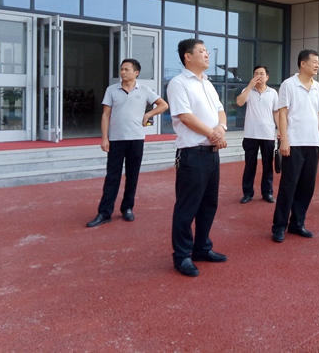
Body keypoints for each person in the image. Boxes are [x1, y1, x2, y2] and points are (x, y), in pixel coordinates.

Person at [167, 39, 229, 277]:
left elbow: (220, 110)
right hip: (192, 154)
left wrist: (221, 129)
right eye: (202, 51)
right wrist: (213, 134)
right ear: (187, 56)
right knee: (187, 207)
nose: (207, 55)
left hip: (212, 153)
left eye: (207, 51)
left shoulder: (208, 83)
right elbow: (185, 116)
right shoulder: (178, 83)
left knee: (208, 205)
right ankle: (182, 255)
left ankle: (202, 247)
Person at [86, 59, 168, 228]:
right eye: (121, 69)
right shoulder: (112, 90)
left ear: (136, 73)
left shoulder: (144, 90)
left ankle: (127, 208)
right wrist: (104, 138)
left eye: (126, 69)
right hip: (116, 140)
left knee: (132, 176)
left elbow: (163, 105)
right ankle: (104, 213)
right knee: (112, 178)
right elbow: (105, 115)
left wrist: (148, 114)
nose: (122, 72)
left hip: (136, 140)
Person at [272, 49, 319, 242]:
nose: (317, 65)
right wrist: (284, 140)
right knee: (288, 186)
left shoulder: (318, 87)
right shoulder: (288, 84)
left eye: (318, 62)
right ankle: (279, 226)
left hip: (312, 143)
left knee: (307, 186)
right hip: (294, 142)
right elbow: (282, 113)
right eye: (314, 62)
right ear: (302, 63)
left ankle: (297, 224)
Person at [236, 65, 279, 204]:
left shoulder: (273, 93)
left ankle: (267, 193)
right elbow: (239, 102)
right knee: (250, 165)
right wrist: (250, 86)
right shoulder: (247, 90)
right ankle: (247, 193)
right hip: (251, 134)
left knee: (267, 166)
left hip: (268, 134)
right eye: (256, 73)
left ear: (267, 77)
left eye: (261, 73)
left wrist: (280, 130)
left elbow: (276, 112)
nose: (259, 76)